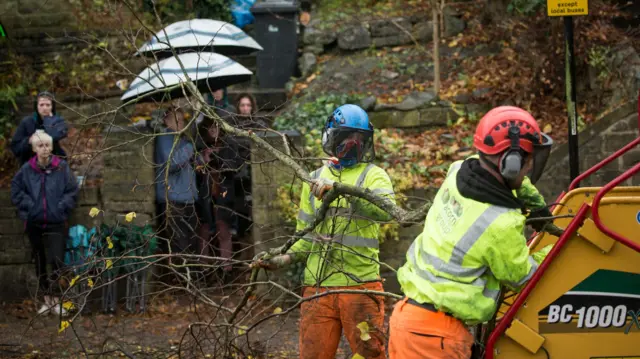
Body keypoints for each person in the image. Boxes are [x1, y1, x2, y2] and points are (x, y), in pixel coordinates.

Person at [387, 106, 555, 359]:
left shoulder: (458, 172)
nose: (529, 168)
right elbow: (525, 277)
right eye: (527, 161)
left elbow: (510, 183)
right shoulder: (500, 223)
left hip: (408, 319)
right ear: (511, 163)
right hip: (436, 337)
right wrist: (560, 246)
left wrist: (536, 205)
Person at [252, 104, 396, 359]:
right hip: (317, 287)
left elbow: (386, 212)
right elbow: (305, 237)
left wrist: (340, 190)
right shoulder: (314, 177)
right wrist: (282, 258)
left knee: (370, 354)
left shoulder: (375, 176)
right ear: (333, 137)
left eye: (359, 139)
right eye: (348, 138)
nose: (354, 144)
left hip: (360, 285)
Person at [11, 130, 78, 316]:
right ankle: (46, 300)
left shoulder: (62, 168)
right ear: (34, 149)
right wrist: (31, 207)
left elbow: (72, 190)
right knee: (39, 262)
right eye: (40, 146)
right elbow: (16, 190)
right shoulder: (26, 170)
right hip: (34, 223)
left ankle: (57, 300)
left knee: (56, 261)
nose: (45, 149)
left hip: (56, 222)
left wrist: (61, 207)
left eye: (47, 145)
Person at [154, 106, 201, 257]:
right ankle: (180, 278)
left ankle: (192, 277)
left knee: (193, 241)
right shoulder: (163, 139)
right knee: (179, 244)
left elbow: (193, 163)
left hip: (189, 198)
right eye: (176, 120)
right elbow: (172, 163)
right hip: (173, 200)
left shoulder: (182, 139)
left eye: (182, 120)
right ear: (166, 121)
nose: (180, 123)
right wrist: (189, 148)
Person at [11, 91, 69, 166]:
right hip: (30, 165)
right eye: (41, 105)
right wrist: (29, 141)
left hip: (54, 165)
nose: (44, 108)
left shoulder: (59, 122)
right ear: (36, 106)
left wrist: (48, 121)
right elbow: (15, 148)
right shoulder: (27, 122)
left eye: (48, 105)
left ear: (52, 107)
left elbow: (56, 138)